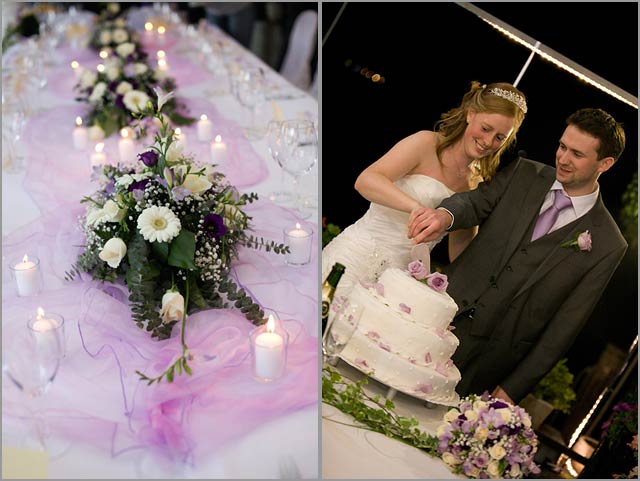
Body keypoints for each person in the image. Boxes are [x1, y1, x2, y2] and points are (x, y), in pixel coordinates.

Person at [407, 107, 627, 404]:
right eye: (562, 146)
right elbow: (475, 202)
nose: (562, 158)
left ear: (606, 163)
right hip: (438, 316)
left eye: (577, 154)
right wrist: (445, 216)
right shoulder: (524, 172)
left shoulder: (608, 244)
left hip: (490, 359)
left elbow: (565, 326)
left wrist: (512, 390)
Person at [322, 81, 528, 303]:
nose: (488, 141)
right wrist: (418, 209)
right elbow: (366, 181)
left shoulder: (477, 183)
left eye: (500, 138)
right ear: (471, 114)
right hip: (352, 257)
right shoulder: (426, 143)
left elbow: (460, 252)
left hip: (396, 284)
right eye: (486, 128)